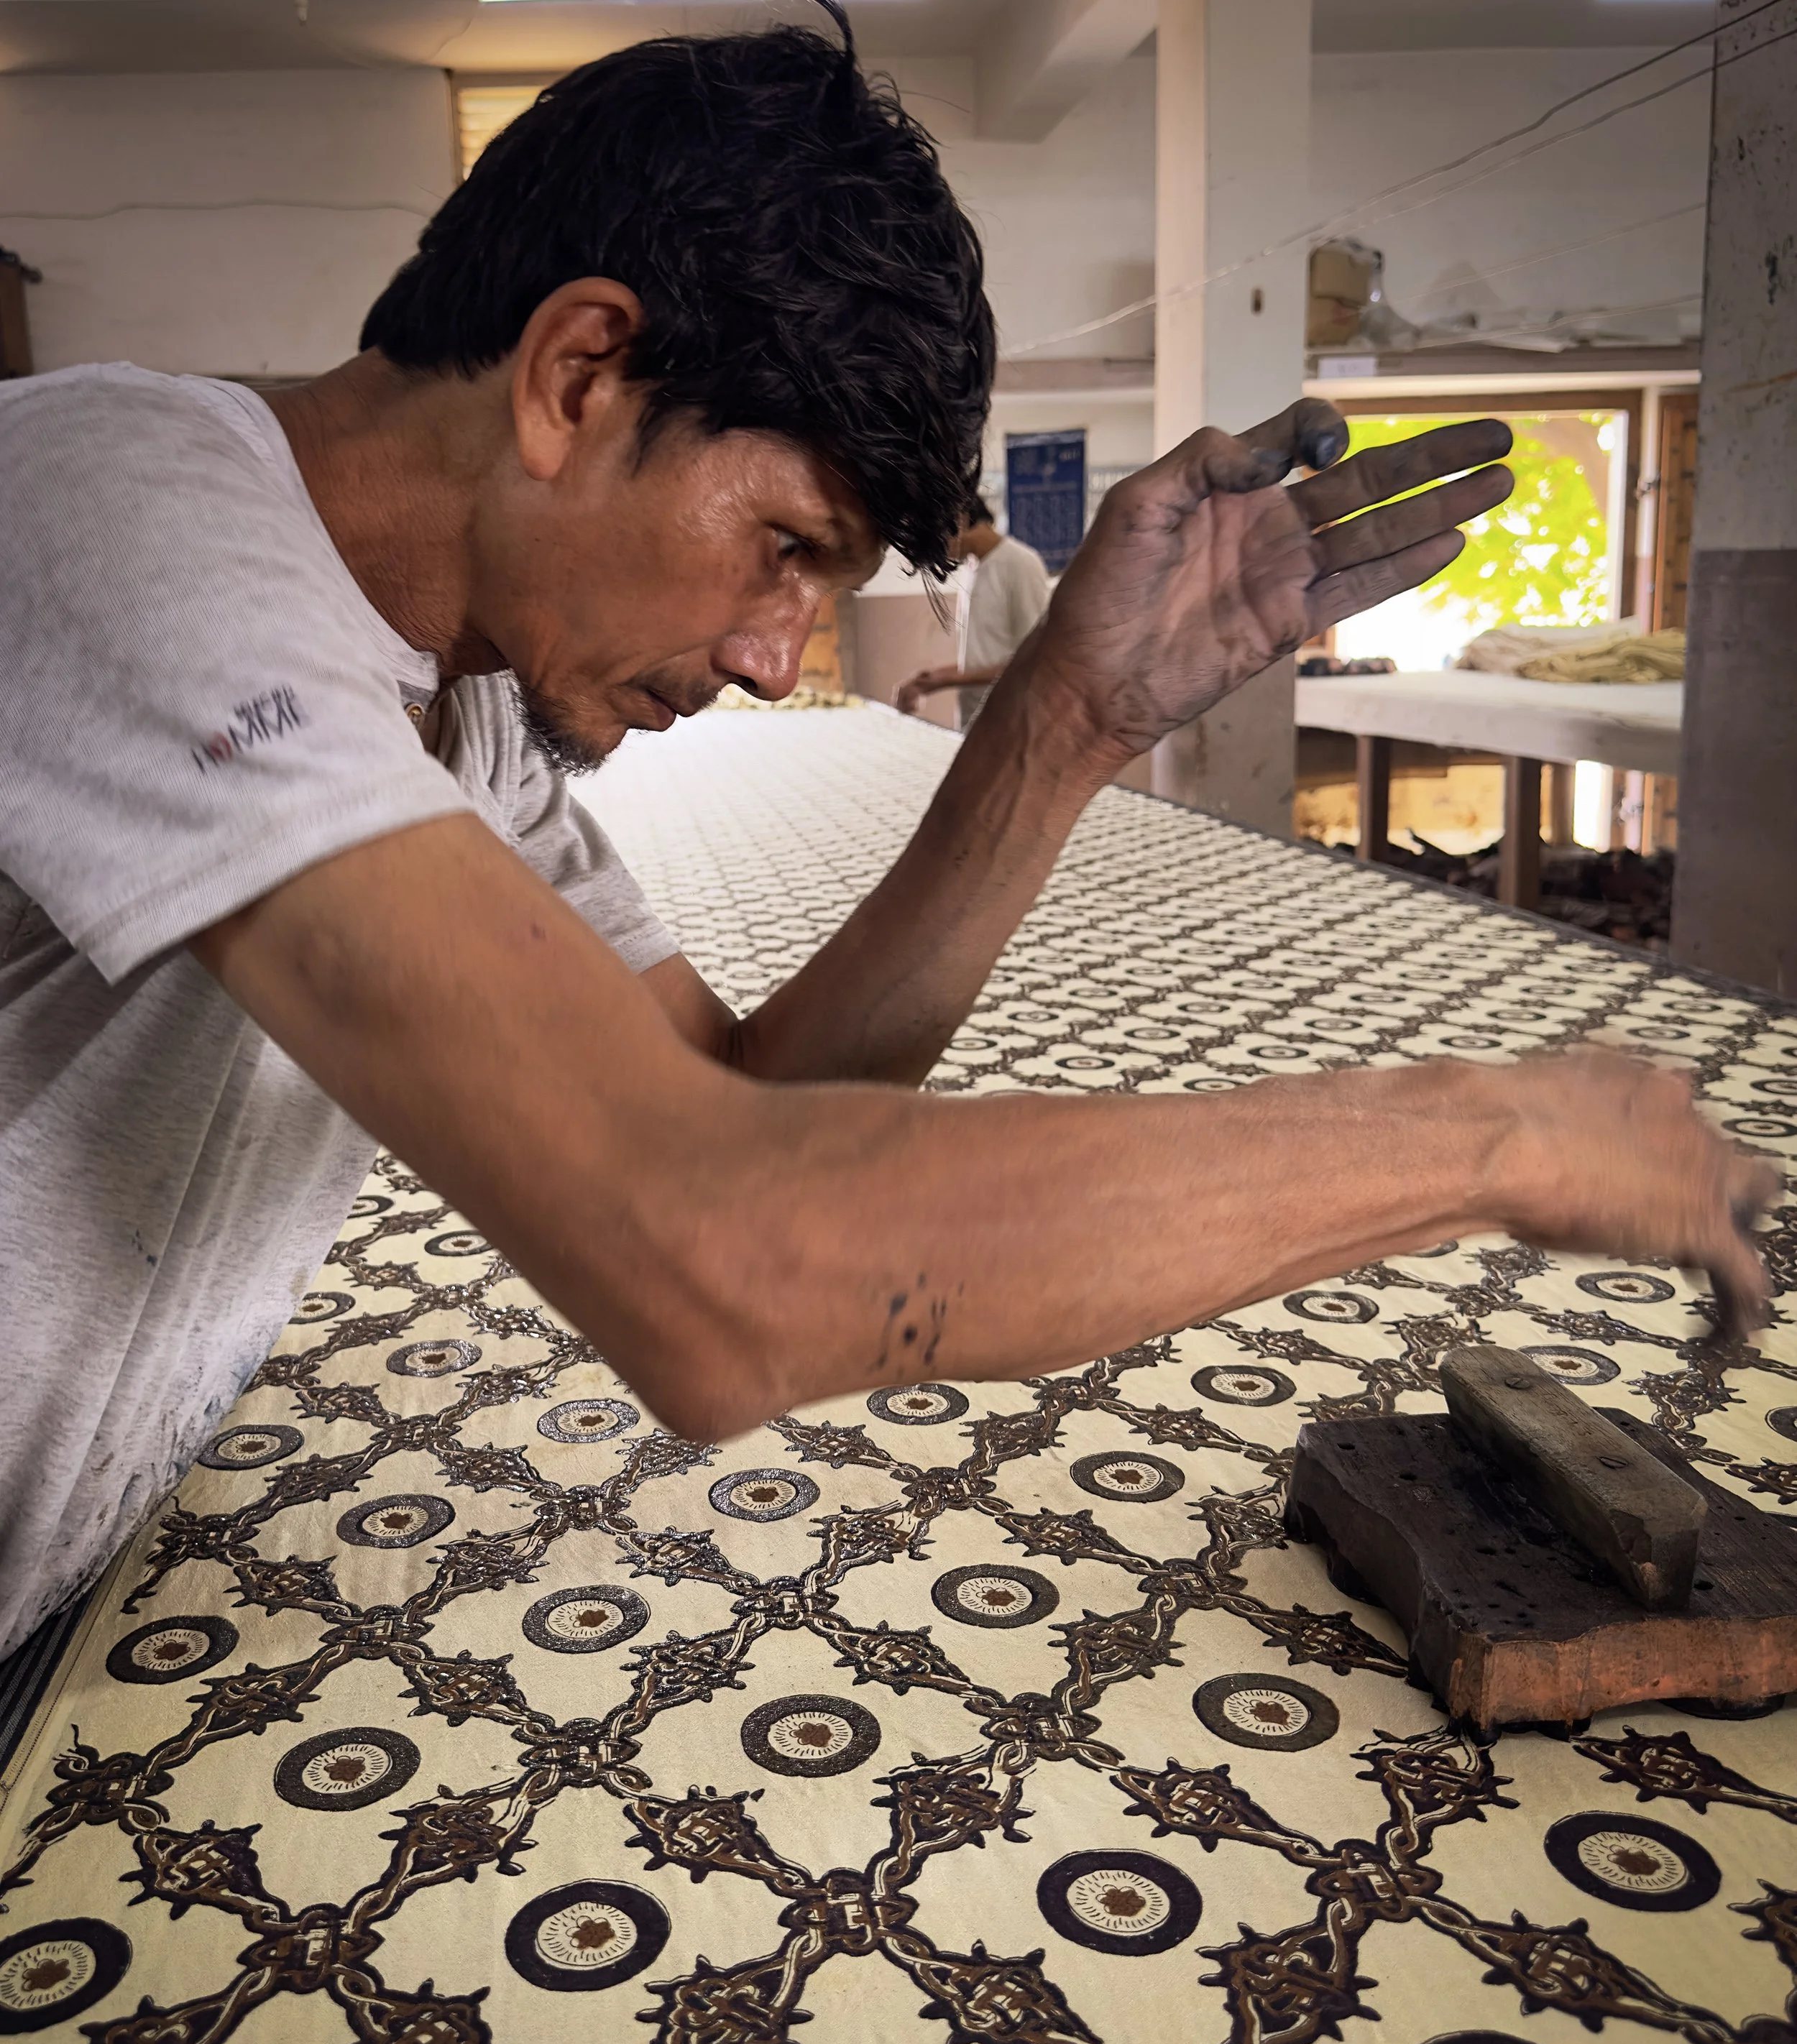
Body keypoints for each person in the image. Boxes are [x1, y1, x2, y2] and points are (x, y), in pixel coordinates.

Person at [0, 11, 1774, 1662]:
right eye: (784, 540)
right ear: (578, 373)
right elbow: (716, 1265)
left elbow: (758, 1122)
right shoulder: (116, 514)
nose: (783, 660)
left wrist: (1062, 725)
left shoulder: (465, 709)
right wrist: (1483, 1132)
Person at [896, 495, 1052, 727]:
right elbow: (986, 657)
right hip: (975, 716)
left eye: (936, 540)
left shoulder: (1020, 563)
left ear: (961, 519)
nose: (937, 553)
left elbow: (1036, 660)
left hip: (1012, 720)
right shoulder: (973, 567)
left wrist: (947, 679)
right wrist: (928, 680)